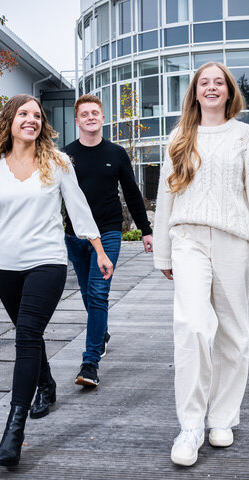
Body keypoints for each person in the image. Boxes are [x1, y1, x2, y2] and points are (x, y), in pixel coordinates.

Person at [0, 94, 113, 468]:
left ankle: (13, 431)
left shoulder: (58, 162)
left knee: (27, 335)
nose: (31, 119)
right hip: (6, 266)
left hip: (47, 262)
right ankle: (45, 384)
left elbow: (78, 208)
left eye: (37, 115)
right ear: (10, 121)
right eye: (23, 114)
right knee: (27, 333)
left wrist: (98, 250)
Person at [153, 62, 249, 467]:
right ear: (195, 92)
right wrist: (163, 252)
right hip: (188, 238)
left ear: (229, 91)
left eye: (218, 83)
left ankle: (223, 418)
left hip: (234, 241)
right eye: (204, 83)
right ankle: (191, 426)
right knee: (192, 326)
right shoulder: (179, 136)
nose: (211, 88)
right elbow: (166, 195)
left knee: (233, 333)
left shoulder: (245, 136)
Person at [62, 94, 153, 388]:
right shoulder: (65, 156)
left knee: (98, 294)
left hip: (109, 232)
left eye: (95, 113)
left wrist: (145, 230)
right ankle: (100, 332)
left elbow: (132, 193)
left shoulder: (116, 153)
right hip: (76, 235)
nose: (90, 117)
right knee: (88, 294)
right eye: (84, 114)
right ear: (77, 121)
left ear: (103, 118)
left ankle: (90, 363)